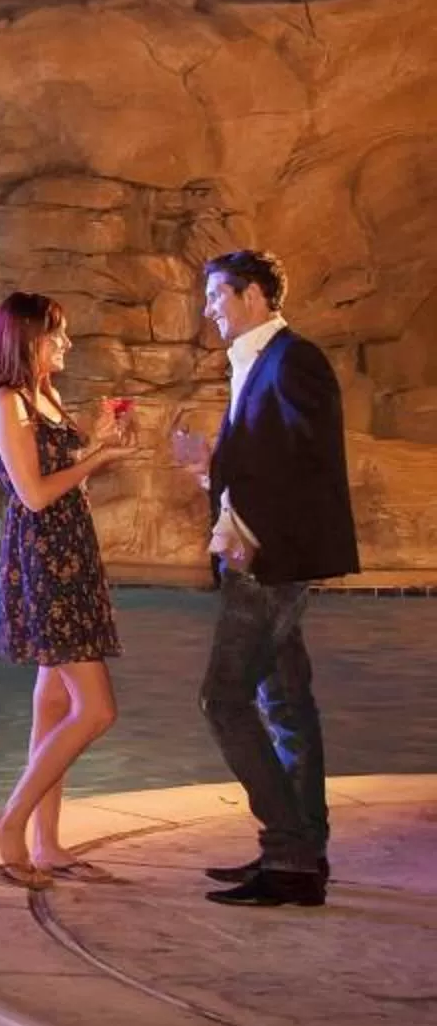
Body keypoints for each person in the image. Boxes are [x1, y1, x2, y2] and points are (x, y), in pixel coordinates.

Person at [173, 249, 361, 909]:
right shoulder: (257, 362)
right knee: (285, 704)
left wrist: (258, 540)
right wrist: (211, 469)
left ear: (253, 295)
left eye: (217, 295)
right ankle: (303, 852)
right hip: (258, 554)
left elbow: (309, 464)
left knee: (222, 700)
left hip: (271, 562)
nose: (208, 308)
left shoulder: (294, 358)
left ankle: (289, 852)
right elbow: (270, 458)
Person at [0, 292, 134, 889]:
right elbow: (35, 494)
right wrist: (96, 461)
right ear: (26, 339)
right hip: (45, 562)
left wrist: (101, 447)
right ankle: (8, 823)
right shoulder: (6, 403)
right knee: (97, 709)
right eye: (55, 335)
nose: (65, 344)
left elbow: (61, 479)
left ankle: (46, 840)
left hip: (70, 554)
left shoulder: (46, 397)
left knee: (56, 704)